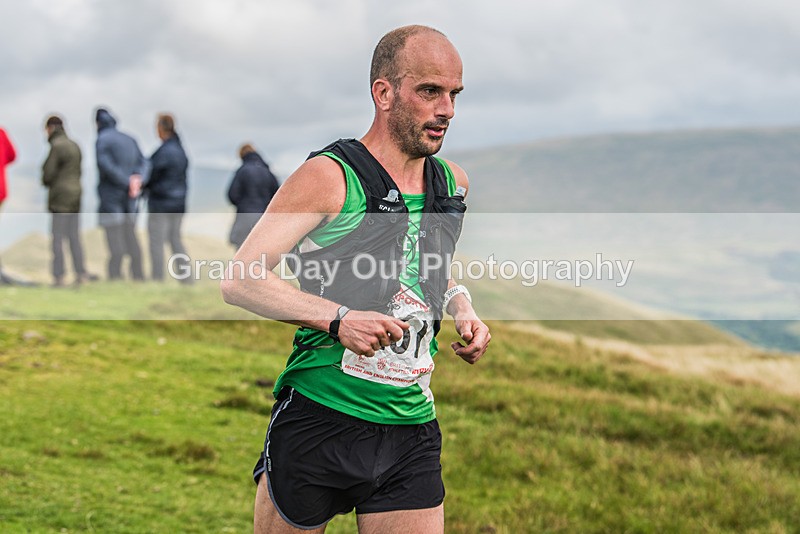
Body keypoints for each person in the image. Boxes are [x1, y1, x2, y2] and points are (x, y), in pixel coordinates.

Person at [221, 25, 490, 533]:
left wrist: (460, 305)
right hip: (320, 418)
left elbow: (426, 267)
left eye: (454, 94)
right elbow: (241, 278)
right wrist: (339, 319)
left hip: (410, 427)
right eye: (430, 91)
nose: (447, 110)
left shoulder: (452, 182)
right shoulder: (328, 176)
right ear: (383, 93)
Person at [41, 115, 96, 287]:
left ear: (50, 128)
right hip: (76, 195)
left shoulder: (56, 147)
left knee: (57, 238)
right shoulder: (75, 145)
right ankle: (81, 273)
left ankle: (59, 277)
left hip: (61, 198)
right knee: (74, 237)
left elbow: (48, 174)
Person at [95, 107, 145, 281]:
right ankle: (138, 274)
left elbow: (105, 165)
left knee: (114, 237)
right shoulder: (130, 139)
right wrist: (136, 181)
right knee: (131, 234)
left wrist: (124, 181)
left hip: (111, 197)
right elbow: (143, 162)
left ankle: (115, 275)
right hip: (131, 197)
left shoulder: (102, 140)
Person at [143, 113, 191, 282]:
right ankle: (186, 279)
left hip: (160, 204)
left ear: (161, 128)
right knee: (176, 240)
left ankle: (157, 278)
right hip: (178, 204)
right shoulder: (180, 150)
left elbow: (150, 175)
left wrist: (144, 186)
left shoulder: (163, 152)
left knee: (156, 242)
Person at [226, 143, 280, 249]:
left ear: (242, 155)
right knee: (261, 250)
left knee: (241, 250)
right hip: (263, 217)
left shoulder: (242, 170)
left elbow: (232, 195)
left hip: (245, 215)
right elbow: (277, 195)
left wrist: (243, 204)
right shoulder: (268, 172)